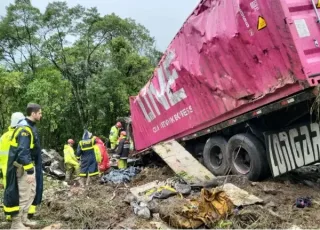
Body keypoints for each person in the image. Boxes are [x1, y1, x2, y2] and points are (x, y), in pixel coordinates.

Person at [3, 103, 43, 229]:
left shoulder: (30, 127)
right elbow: (23, 151)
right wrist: (30, 171)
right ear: (33, 113)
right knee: (23, 194)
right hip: (23, 168)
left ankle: (24, 218)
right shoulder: (24, 129)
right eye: (40, 113)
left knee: (31, 192)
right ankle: (16, 223)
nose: (41, 115)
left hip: (30, 165)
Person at [0, 112, 25, 221]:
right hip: (18, 168)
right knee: (19, 191)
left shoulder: (3, 137)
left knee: (8, 190)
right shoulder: (20, 135)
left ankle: (8, 214)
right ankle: (18, 214)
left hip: (5, 169)